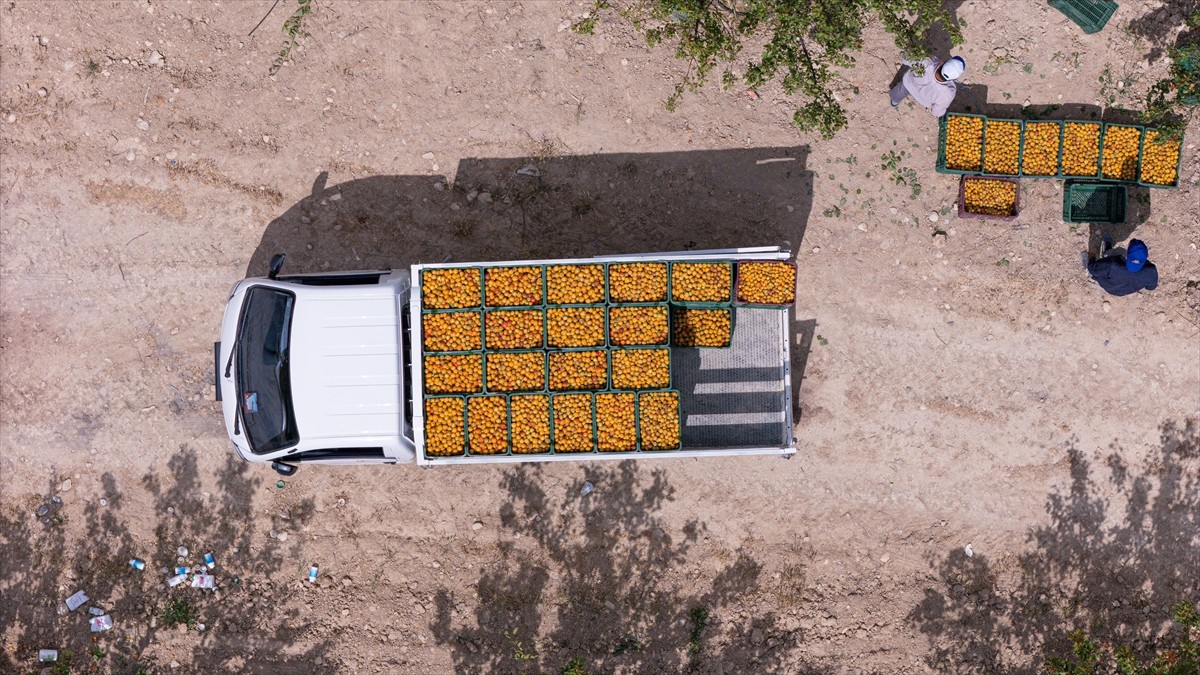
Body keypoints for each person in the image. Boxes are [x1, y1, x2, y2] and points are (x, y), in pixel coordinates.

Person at [889, 55, 965, 118]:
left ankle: (894, 102)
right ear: (954, 78)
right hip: (923, 100)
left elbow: (906, 58)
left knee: (899, 92)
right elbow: (937, 112)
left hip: (909, 83)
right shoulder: (947, 94)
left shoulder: (927, 62)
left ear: (942, 64)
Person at [1087, 237, 1158, 296]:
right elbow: (1151, 287)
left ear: (1128, 254)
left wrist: (1091, 258)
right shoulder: (1151, 272)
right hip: (1124, 292)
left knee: (1120, 251)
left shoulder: (1113, 264)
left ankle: (1106, 253)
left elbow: (1092, 269)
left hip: (1108, 286)